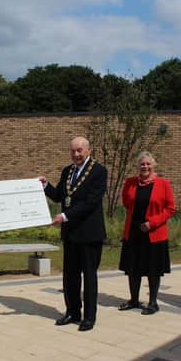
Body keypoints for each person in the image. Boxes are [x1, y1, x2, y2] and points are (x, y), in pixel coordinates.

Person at [39, 136, 107, 331]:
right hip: (70, 234)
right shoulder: (67, 171)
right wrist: (45, 186)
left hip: (89, 233)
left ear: (88, 150)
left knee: (89, 276)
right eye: (73, 151)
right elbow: (60, 195)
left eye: (79, 150)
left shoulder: (99, 171)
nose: (76, 154)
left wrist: (64, 216)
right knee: (70, 275)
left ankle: (89, 317)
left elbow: (91, 202)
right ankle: (72, 311)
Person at [118, 151, 175, 315]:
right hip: (134, 231)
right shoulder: (130, 182)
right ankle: (133, 300)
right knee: (133, 268)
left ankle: (153, 303)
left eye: (148, 164)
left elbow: (170, 208)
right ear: (138, 166)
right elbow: (126, 202)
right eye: (142, 164)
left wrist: (152, 223)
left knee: (153, 269)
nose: (145, 167)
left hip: (154, 233)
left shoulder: (163, 183)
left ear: (153, 165)